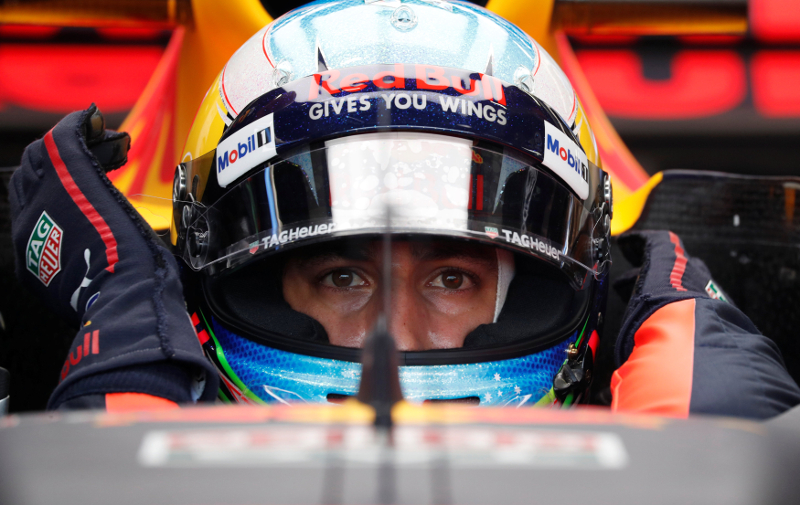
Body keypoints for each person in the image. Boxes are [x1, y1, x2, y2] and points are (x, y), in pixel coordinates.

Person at [10, 0, 800, 418]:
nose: (398, 333)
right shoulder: (143, 335)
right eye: (341, 276)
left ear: (562, 284)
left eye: (452, 277)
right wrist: (131, 350)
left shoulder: (674, 375)